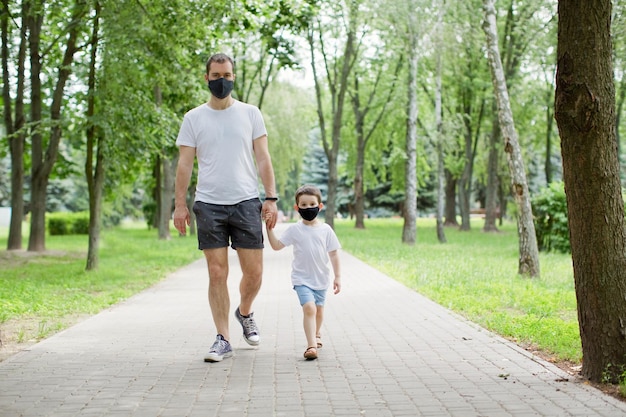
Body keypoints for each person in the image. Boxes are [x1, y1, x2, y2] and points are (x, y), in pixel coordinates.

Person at [173, 53, 279, 362]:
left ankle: (244, 312)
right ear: (206, 78)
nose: (223, 80)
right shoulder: (194, 118)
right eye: (217, 75)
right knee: (217, 272)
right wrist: (180, 204)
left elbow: (263, 157)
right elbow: (184, 164)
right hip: (209, 203)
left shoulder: (250, 113)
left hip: (247, 201)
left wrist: (270, 197)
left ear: (234, 77)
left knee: (255, 273)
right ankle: (223, 338)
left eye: (228, 75)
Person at [265, 185, 341, 360]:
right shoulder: (295, 230)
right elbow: (277, 246)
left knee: (319, 312)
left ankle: (316, 333)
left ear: (320, 206)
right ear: (297, 208)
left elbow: (334, 253)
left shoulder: (326, 230)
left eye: (312, 204)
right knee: (309, 309)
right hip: (301, 279)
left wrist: (338, 276)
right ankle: (311, 346)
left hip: (321, 279)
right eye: (304, 205)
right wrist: (269, 229)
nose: (308, 208)